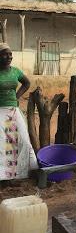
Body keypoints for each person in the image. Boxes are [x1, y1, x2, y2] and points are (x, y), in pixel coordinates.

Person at [0, 43, 37, 180]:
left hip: (13, 109)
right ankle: (5, 176)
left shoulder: (15, 71)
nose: (9, 56)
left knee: (23, 139)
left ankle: (23, 172)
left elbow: (26, 83)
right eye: (5, 54)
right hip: (0, 111)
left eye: (10, 54)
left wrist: (16, 96)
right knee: (3, 143)